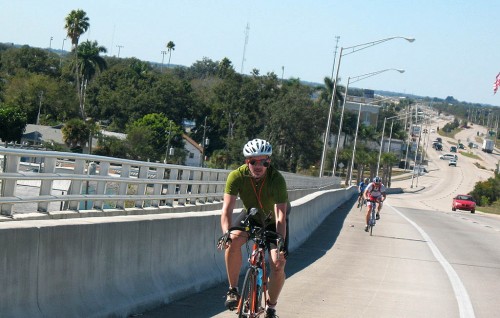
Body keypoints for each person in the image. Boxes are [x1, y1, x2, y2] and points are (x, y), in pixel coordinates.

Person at [218, 138, 290, 318]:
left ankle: (271, 307)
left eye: (263, 161)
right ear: (246, 162)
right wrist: (226, 233)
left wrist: (280, 245)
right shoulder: (237, 176)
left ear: (269, 162)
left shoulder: (277, 179)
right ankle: (233, 290)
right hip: (251, 216)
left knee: (277, 263)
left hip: (273, 221)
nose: (259, 166)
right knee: (233, 240)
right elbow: (226, 209)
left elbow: (281, 215)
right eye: (253, 161)